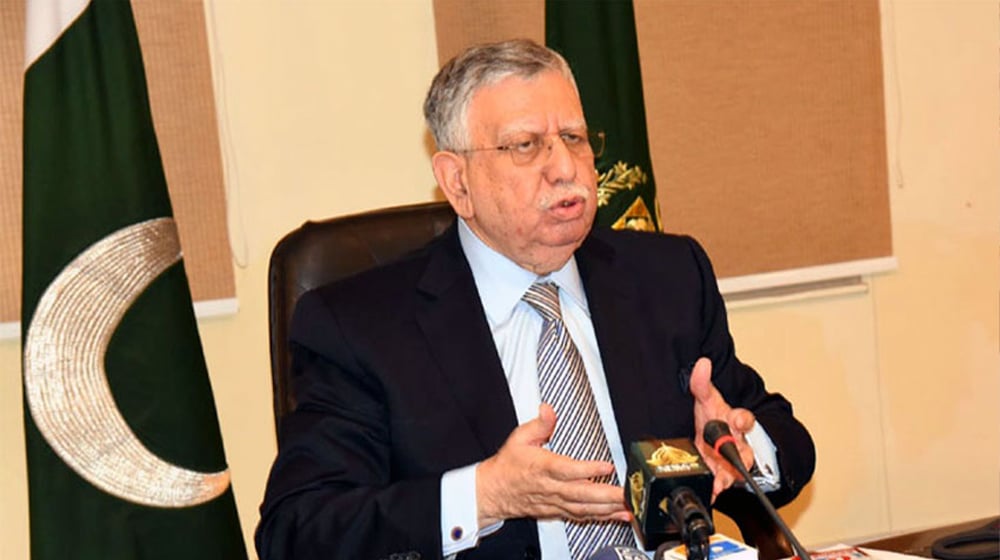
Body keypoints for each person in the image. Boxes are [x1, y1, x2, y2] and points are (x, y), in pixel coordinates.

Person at [256, 39, 815, 560]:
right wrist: (484, 494)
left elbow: (782, 436)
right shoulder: (361, 325)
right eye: (526, 146)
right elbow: (298, 529)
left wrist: (742, 448)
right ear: (457, 182)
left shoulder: (666, 276)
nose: (566, 168)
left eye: (574, 138)